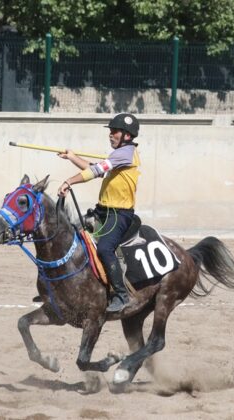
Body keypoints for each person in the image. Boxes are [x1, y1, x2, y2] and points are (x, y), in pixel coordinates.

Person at [57, 113, 141, 313]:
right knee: (71, 236)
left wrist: (69, 181)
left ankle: (121, 295)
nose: (110, 135)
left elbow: (94, 172)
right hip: (102, 211)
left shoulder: (126, 154)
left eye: (114, 131)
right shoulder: (119, 155)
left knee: (104, 249)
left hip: (118, 215)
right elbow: (97, 169)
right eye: (110, 131)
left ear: (127, 136)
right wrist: (72, 157)